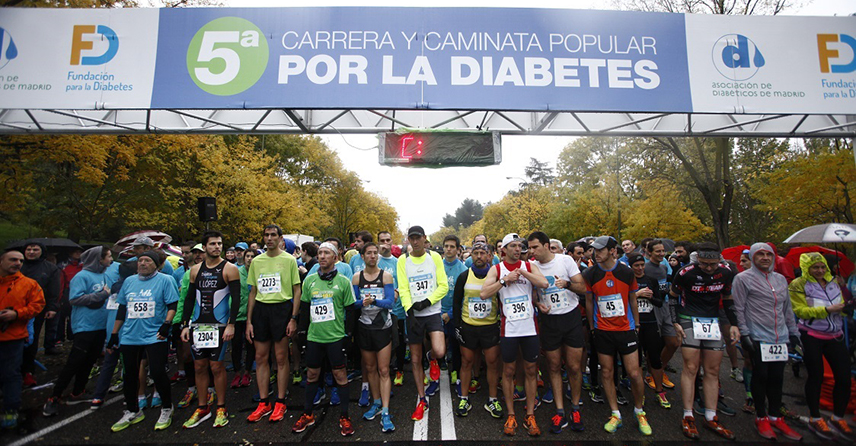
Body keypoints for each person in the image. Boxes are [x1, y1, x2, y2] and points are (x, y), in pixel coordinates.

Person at [732, 243, 802, 441]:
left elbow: (787, 309)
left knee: (777, 377)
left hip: (780, 336)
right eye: (760, 254)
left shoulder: (780, 279)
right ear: (753, 257)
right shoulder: (742, 279)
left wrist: (793, 332)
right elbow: (738, 308)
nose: (765, 258)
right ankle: (761, 416)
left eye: (768, 254)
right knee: (761, 375)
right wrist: (744, 334)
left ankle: (775, 416)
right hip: (757, 336)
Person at [582, 236, 651, 436]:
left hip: (625, 329)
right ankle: (615, 413)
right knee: (606, 372)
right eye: (595, 250)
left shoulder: (626, 272)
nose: (596, 254)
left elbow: (632, 298)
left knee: (634, 373)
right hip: (603, 330)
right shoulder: (590, 273)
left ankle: (639, 411)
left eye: (601, 250)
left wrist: (636, 324)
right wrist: (593, 328)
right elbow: (589, 301)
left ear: (612, 251)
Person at [482, 233, 549, 437]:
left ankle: (529, 414)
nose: (517, 249)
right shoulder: (497, 269)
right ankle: (511, 414)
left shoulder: (528, 266)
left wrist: (523, 273)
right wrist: (504, 280)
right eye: (513, 245)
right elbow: (484, 293)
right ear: (504, 249)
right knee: (508, 372)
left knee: (530, 370)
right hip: (508, 329)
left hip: (530, 328)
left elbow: (544, 283)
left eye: (520, 246)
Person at [670, 242, 738, 441]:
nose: (709, 268)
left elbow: (728, 298)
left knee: (712, 370)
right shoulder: (685, 273)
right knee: (691, 367)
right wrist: (675, 322)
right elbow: (672, 297)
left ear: (720, 260)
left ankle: (711, 415)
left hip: (712, 320)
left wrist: (734, 324)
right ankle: (688, 415)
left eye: (713, 264)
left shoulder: (725, 272)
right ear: (698, 259)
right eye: (704, 264)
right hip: (689, 319)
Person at [106, 251, 178, 432]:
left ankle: (167, 407)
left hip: (155, 335)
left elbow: (172, 305)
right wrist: (115, 333)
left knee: (157, 371)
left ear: (156, 264)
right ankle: (133, 410)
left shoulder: (165, 280)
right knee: (129, 374)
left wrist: (166, 324)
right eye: (140, 261)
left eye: (147, 260)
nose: (143, 263)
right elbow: (122, 308)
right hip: (130, 335)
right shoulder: (129, 281)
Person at [292, 242, 357, 436]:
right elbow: (304, 308)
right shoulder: (310, 280)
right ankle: (308, 413)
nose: (322, 256)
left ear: (335, 257)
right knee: (312, 375)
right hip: (315, 337)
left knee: (340, 376)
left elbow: (351, 310)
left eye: (326, 253)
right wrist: (302, 332)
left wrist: (349, 335)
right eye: (319, 253)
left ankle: (345, 416)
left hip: (336, 337)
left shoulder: (344, 281)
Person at [179, 231, 242, 429]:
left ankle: (221, 407)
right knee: (199, 366)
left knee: (216, 366)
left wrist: (231, 324)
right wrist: (184, 324)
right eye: (213, 244)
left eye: (220, 243)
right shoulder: (195, 270)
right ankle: (202, 406)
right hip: (198, 324)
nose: (217, 247)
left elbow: (236, 299)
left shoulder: (230, 269)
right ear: (204, 247)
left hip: (219, 325)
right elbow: (189, 298)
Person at [789, 252, 854, 441]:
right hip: (811, 335)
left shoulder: (834, 282)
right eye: (815, 267)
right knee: (816, 376)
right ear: (807, 268)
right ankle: (815, 417)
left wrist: (844, 289)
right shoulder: (798, 284)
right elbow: (799, 310)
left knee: (843, 378)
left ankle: (837, 417)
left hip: (835, 335)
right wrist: (826, 310)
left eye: (822, 267)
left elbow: (847, 304)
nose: (819, 270)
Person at [43, 246, 115, 416]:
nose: (111, 260)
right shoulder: (81, 276)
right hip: (85, 326)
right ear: (99, 259)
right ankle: (54, 396)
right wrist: (101, 296)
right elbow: (74, 299)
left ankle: (78, 392)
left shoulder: (103, 274)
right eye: (108, 257)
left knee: (90, 360)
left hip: (100, 325)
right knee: (75, 362)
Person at [528, 231, 587, 433]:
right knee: (553, 366)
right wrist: (537, 304)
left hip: (570, 318)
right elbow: (532, 294)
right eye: (530, 248)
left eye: (535, 247)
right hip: (549, 321)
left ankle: (576, 407)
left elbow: (583, 287)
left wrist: (568, 284)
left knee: (573, 366)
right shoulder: (532, 266)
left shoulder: (565, 261)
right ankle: (560, 411)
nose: (531, 251)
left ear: (546, 245)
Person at [245, 224, 301, 423]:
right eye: (266, 235)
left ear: (280, 239)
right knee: (260, 357)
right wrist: (249, 321)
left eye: (273, 235)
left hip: (281, 309)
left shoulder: (289, 260)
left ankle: (280, 400)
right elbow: (253, 292)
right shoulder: (257, 261)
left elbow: (296, 289)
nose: (269, 238)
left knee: (280, 357)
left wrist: (293, 318)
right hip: (261, 309)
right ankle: (263, 402)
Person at [397, 225, 449, 421]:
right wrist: (409, 310)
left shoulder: (434, 257)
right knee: (416, 360)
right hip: (414, 315)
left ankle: (432, 357)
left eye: (418, 238)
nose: (415, 241)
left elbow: (443, 285)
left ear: (424, 239)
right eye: (412, 238)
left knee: (440, 350)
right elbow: (403, 287)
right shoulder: (403, 260)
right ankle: (422, 399)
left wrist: (427, 302)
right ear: (409, 240)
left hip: (432, 311)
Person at [453, 242, 504, 419]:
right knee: (466, 362)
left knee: (491, 362)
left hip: (490, 327)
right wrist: (457, 325)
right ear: (471, 256)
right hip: (469, 326)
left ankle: (492, 399)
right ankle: (464, 398)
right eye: (476, 253)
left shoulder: (497, 277)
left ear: (490, 256)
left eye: (483, 253)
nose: (480, 256)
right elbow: (457, 301)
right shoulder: (464, 276)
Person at [351, 242, 396, 432]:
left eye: (374, 253)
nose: (372, 256)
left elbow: (390, 302)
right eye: (368, 253)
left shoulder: (385, 276)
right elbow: (353, 304)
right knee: (370, 368)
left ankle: (386, 410)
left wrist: (374, 300)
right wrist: (362, 302)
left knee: (384, 369)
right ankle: (376, 402)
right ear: (362, 256)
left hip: (383, 328)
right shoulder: (356, 277)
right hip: (365, 328)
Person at [0, 249, 45, 429]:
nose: (18, 263)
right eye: (13, 260)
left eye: (20, 260)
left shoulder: (29, 284)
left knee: (11, 374)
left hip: (14, 337)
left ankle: (11, 409)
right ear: (2, 261)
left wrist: (17, 314)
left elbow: (38, 305)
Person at [628, 253, 670, 409]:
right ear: (631, 267)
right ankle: (640, 394)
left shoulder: (651, 280)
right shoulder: (628, 280)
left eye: (641, 265)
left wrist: (650, 297)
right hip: (634, 325)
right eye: (636, 266)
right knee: (637, 360)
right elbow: (623, 300)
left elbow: (659, 302)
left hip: (650, 322)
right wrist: (637, 295)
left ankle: (660, 391)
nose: (640, 268)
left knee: (655, 358)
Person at [21, 241, 62, 387]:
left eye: (35, 249)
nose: (31, 252)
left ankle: (28, 371)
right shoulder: (19, 265)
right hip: (14, 308)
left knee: (32, 339)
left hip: (37, 309)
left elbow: (54, 289)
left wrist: (52, 307)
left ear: (42, 252)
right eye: (29, 249)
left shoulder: (50, 268)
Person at [644, 240, 677, 391]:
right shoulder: (646, 269)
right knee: (654, 345)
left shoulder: (664, 267)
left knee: (673, 342)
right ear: (649, 252)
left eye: (663, 251)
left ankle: (659, 371)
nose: (662, 254)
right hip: (652, 308)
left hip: (665, 307)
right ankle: (652, 374)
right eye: (658, 251)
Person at [441, 235, 468, 396]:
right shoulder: (437, 266)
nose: (449, 249)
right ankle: (434, 376)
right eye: (446, 246)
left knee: (455, 346)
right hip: (436, 312)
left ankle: (456, 375)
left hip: (454, 314)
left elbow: (465, 296)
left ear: (458, 249)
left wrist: (450, 314)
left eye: (452, 246)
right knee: (437, 348)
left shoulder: (463, 270)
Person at [232, 248, 257, 389]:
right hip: (238, 314)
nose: (249, 259)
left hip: (253, 315)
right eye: (247, 256)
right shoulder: (236, 272)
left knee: (250, 344)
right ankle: (237, 372)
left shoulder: (259, 272)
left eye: (252, 256)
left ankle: (247, 372)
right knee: (236, 345)